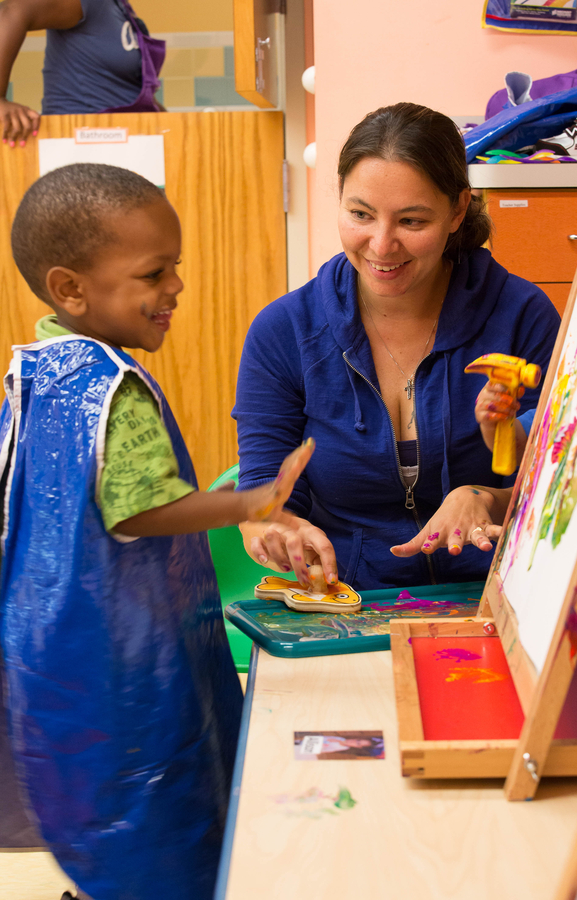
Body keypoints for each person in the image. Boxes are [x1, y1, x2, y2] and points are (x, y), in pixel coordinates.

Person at [0, 163, 313, 900]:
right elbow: (138, 510)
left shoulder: (34, 369)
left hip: (49, 642)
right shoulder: (113, 383)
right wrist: (251, 502)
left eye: (176, 266)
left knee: (90, 800)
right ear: (70, 288)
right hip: (125, 656)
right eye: (153, 273)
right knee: (158, 806)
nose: (175, 287)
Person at [233, 102, 561, 592]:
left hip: (501, 594)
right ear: (338, 199)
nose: (381, 246)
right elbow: (264, 485)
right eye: (360, 214)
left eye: (411, 221)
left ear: (456, 211)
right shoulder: (284, 331)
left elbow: (562, 477)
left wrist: (486, 496)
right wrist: (273, 525)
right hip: (353, 598)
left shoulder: (521, 314)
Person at [0, 0, 165, 148]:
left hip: (126, 144)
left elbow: (133, 92)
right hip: (84, 144)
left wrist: (174, 126)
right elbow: (13, 10)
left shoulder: (119, 9)